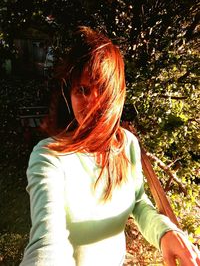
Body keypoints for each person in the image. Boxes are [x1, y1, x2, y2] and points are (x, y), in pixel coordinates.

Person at [20, 26, 200, 266]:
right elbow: (47, 240)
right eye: (82, 90)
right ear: (69, 95)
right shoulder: (49, 157)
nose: (92, 103)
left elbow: (137, 201)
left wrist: (165, 232)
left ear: (117, 94)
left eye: (102, 89)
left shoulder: (127, 144)